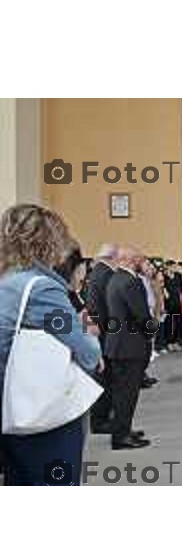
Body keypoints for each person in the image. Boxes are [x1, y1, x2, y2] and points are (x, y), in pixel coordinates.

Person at [0, 204, 102, 485]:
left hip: (9, 408)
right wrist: (91, 336)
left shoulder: (7, 281)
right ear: (49, 242)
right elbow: (85, 350)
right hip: (42, 413)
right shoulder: (41, 289)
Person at [104, 246, 155, 449]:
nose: (143, 264)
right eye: (141, 260)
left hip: (118, 343)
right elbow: (141, 314)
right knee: (128, 393)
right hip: (130, 345)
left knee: (121, 392)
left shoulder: (115, 279)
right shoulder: (131, 282)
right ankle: (121, 437)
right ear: (133, 261)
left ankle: (123, 429)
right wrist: (151, 332)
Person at [85, 243, 118, 434]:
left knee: (104, 376)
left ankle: (103, 417)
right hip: (105, 331)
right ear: (111, 258)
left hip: (101, 329)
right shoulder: (105, 274)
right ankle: (100, 420)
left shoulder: (98, 272)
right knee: (104, 377)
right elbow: (109, 306)